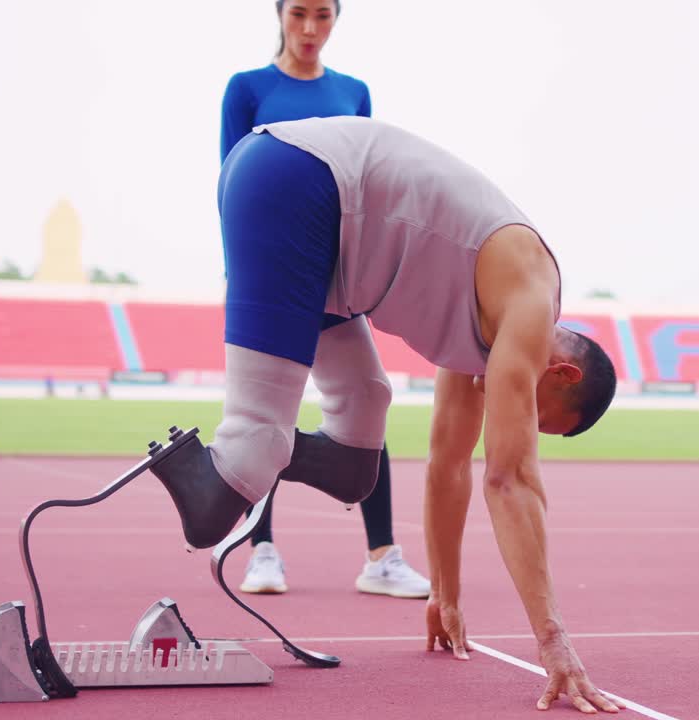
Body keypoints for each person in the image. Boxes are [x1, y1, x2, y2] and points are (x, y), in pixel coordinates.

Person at [151, 116, 622, 713]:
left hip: (326, 241)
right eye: (537, 415)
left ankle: (259, 452)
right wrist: (553, 643)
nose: (520, 419)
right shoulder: (528, 300)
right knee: (244, 464)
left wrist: (445, 594)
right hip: (294, 182)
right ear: (562, 374)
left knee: (357, 453)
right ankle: (208, 461)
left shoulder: (490, 325)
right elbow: (510, 479)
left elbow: (450, 466)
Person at [219, 0, 429, 599]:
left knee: (368, 400)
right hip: (272, 278)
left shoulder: (354, 92)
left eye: (323, 16)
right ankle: (262, 551)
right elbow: (232, 178)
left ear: (336, 20)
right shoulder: (247, 88)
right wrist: (245, 275)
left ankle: (382, 555)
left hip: (338, 278)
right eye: (299, 15)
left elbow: (368, 181)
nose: (310, 29)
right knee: (269, 417)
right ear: (279, 15)